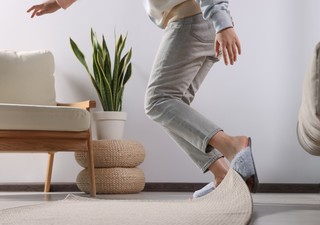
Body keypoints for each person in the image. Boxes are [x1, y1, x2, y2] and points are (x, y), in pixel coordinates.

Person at [27, 0, 258, 198]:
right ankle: (222, 176)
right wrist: (60, 2)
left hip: (191, 20)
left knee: (157, 101)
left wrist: (222, 21)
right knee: (174, 110)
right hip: (201, 24)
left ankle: (233, 145)